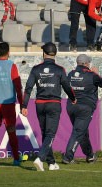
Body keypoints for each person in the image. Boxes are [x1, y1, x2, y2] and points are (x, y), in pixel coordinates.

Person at [22, 43, 76, 172]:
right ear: (55, 54)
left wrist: (24, 105)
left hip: (39, 104)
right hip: (53, 104)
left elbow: (28, 88)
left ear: (44, 53)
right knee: (50, 134)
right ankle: (40, 159)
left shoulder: (36, 69)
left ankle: (51, 163)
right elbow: (67, 86)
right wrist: (73, 98)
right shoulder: (59, 69)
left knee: (46, 134)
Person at [63, 54, 102, 164]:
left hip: (71, 106)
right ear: (87, 64)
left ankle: (90, 155)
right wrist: (97, 74)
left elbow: (66, 86)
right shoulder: (92, 75)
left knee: (82, 132)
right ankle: (68, 157)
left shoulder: (70, 74)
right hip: (85, 107)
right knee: (79, 131)